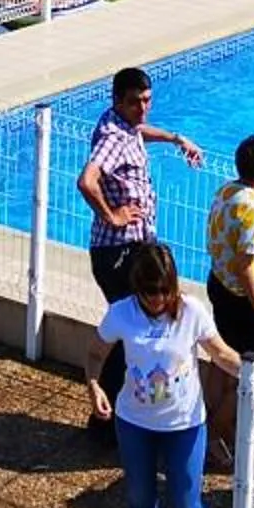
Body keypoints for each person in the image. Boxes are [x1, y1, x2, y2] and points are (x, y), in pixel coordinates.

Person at [82, 240, 242, 508]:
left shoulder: (192, 312)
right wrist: (93, 386)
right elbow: (95, 353)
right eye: (148, 292)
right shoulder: (121, 313)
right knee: (140, 499)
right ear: (137, 288)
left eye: (164, 290)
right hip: (134, 422)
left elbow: (220, 353)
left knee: (186, 504)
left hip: (184, 423)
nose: (156, 299)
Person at [77, 66, 202, 430]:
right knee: (124, 333)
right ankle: (106, 422)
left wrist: (177, 139)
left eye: (147, 101)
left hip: (130, 249)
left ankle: (114, 418)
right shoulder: (112, 138)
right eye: (135, 103)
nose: (143, 109)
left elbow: (138, 133)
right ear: (118, 101)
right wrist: (112, 215)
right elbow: (86, 181)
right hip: (119, 254)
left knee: (127, 330)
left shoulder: (121, 123)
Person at [205, 136, 254, 459]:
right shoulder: (250, 206)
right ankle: (221, 428)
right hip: (245, 298)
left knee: (221, 361)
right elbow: (246, 265)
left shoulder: (226, 191)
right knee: (252, 372)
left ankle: (207, 429)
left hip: (219, 285)